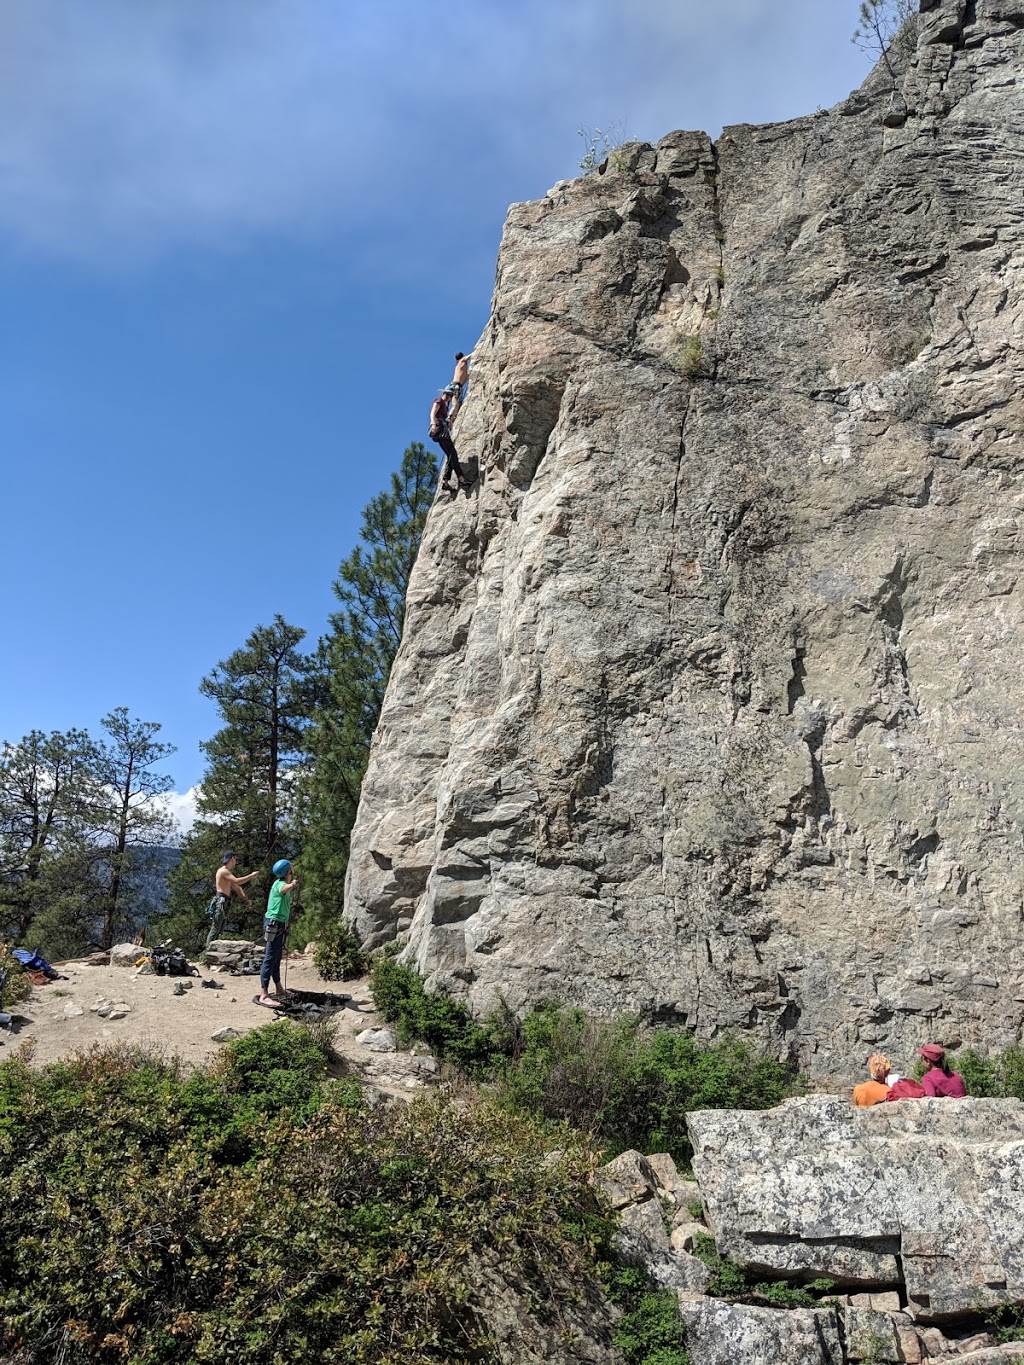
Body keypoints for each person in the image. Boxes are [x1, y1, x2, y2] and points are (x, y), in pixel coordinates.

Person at [258, 858, 298, 1008]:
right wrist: (292, 885)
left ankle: (279, 988)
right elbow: (283, 889)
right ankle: (264, 994)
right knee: (269, 957)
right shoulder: (280, 884)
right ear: (287, 870)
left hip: (279, 924)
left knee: (276, 956)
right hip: (274, 924)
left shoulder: (281, 883)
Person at [206, 851, 260, 954]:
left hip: (224, 901)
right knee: (216, 928)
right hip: (221, 901)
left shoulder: (227, 873)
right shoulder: (223, 871)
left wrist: (246, 899)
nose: (236, 862)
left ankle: (213, 951)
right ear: (232, 859)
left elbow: (237, 888)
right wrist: (251, 876)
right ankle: (208, 952)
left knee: (219, 928)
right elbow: (237, 881)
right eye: (235, 859)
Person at [429, 386, 471, 490]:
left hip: (442, 429)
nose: (448, 397)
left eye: (450, 396)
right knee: (453, 453)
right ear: (443, 393)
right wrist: (433, 424)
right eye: (447, 394)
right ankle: (462, 480)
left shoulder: (445, 406)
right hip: (439, 428)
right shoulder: (439, 401)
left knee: (450, 456)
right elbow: (433, 413)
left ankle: (446, 482)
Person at [449, 351, 470, 422]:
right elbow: (469, 357)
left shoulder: (457, 366)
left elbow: (465, 376)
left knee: (456, 405)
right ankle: (449, 419)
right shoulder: (462, 361)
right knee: (455, 405)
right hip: (457, 386)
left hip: (454, 386)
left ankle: (452, 419)